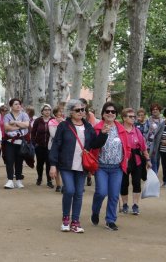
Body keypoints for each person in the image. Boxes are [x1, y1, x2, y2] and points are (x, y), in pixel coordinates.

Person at [49, 99, 109, 233]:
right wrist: (53, 165)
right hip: (66, 164)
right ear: (70, 112)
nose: (81, 112)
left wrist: (103, 134)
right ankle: (66, 219)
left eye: (83, 110)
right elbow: (56, 145)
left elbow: (94, 144)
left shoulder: (88, 127)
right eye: (78, 110)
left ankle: (75, 222)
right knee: (69, 190)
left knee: (78, 193)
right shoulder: (63, 126)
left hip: (82, 165)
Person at [89, 102, 130, 231]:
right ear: (103, 114)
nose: (110, 114)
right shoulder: (97, 128)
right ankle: (95, 211)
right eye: (107, 111)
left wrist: (125, 161)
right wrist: (102, 133)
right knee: (101, 192)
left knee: (113, 195)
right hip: (101, 167)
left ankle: (110, 220)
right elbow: (93, 146)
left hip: (116, 168)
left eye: (113, 112)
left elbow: (126, 147)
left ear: (116, 114)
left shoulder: (121, 129)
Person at [120, 108, 151, 215]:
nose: (133, 118)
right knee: (124, 183)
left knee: (136, 182)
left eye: (134, 116)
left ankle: (135, 205)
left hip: (137, 160)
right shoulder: (119, 130)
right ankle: (124, 205)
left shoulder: (136, 131)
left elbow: (143, 147)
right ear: (124, 118)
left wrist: (147, 159)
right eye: (130, 116)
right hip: (123, 160)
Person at [3, 98, 30, 189]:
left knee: (19, 161)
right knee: (9, 161)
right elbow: (6, 128)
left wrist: (14, 123)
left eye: (19, 104)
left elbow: (26, 125)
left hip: (21, 142)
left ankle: (18, 180)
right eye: (15, 104)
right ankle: (10, 180)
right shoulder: (7, 116)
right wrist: (20, 126)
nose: (18, 106)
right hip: (10, 142)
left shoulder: (24, 114)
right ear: (11, 106)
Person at [31, 104, 54, 188]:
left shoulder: (53, 120)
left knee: (49, 163)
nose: (47, 111)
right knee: (40, 163)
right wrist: (34, 143)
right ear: (42, 111)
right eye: (45, 110)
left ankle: (49, 180)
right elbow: (33, 132)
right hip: (39, 146)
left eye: (49, 110)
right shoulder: (38, 120)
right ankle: (39, 177)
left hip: (50, 146)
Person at [79, 98, 99, 187]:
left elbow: (92, 127)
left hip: (87, 140)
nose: (82, 105)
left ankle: (89, 176)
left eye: (84, 104)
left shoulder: (90, 115)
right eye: (80, 103)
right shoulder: (76, 112)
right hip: (78, 139)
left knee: (87, 159)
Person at [48, 105, 65, 192]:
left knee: (63, 166)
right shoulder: (51, 122)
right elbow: (53, 135)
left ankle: (65, 185)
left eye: (62, 111)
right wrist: (60, 125)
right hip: (54, 147)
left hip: (64, 148)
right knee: (56, 167)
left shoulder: (65, 122)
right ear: (55, 113)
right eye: (59, 111)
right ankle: (58, 185)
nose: (61, 113)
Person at [145, 103, 164, 173]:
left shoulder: (163, 121)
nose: (155, 111)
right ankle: (154, 174)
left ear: (159, 111)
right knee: (152, 159)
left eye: (156, 109)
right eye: (153, 109)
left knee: (157, 159)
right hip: (150, 143)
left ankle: (154, 173)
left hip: (160, 143)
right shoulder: (148, 120)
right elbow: (145, 131)